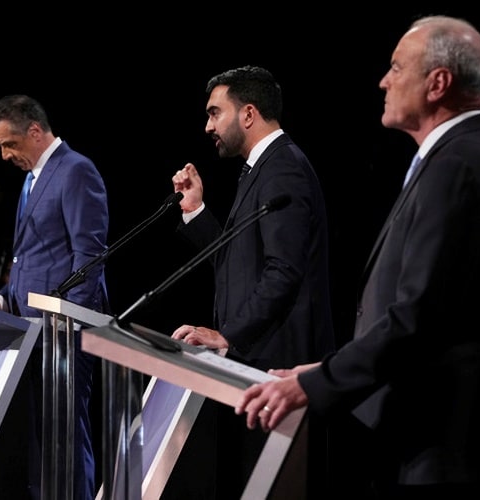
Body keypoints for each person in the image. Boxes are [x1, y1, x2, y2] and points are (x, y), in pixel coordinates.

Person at [235, 15, 480, 499]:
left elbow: (419, 319)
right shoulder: (461, 156)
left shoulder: (459, 165)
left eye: (397, 68)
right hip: (444, 440)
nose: (384, 81)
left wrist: (314, 384)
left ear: (438, 83)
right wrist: (322, 369)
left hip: (451, 448)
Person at [169, 65, 336, 498]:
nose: (208, 126)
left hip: (278, 366)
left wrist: (228, 335)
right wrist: (196, 210)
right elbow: (240, 263)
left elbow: (284, 271)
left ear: (247, 113)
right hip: (257, 364)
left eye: (214, 113)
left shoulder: (283, 169)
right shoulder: (261, 169)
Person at [0, 94, 110, 500]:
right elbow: (29, 260)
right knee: (44, 442)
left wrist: (69, 322)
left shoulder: (75, 170)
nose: (4, 155)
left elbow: (89, 256)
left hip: (64, 334)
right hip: (33, 331)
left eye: (9, 144)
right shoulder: (33, 178)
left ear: (34, 131)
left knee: (66, 439)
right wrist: (0, 300)